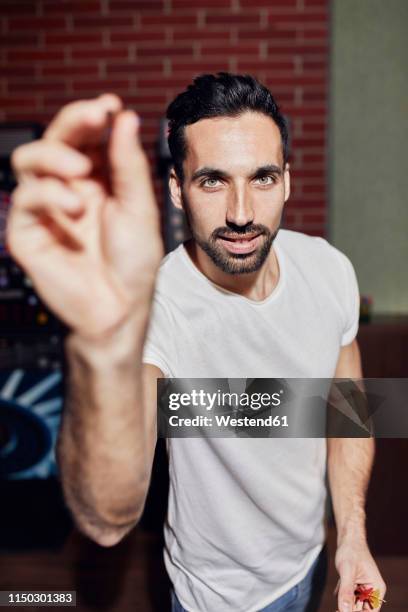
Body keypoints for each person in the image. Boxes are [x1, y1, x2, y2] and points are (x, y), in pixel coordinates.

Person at [7, 73, 386, 612]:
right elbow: (107, 519)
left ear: (287, 181)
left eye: (261, 178)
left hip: (312, 561)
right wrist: (107, 341)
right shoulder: (157, 307)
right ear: (177, 190)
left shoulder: (329, 270)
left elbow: (347, 408)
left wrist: (351, 536)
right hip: (215, 597)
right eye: (212, 180)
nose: (240, 213)